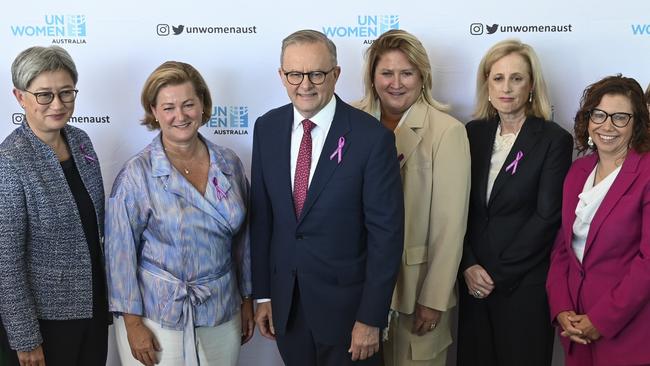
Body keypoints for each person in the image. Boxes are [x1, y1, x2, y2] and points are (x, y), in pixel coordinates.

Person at [250, 29, 404, 366]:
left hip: (349, 317)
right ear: (281, 76)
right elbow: (263, 220)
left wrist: (370, 317)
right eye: (294, 74)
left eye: (316, 73)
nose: (305, 84)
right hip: (287, 309)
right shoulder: (267, 128)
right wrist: (263, 294)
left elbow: (386, 236)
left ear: (335, 74)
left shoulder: (371, 138)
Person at [104, 61, 253, 366]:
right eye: (169, 107)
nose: (180, 116)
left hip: (222, 309)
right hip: (156, 317)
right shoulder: (137, 174)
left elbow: (246, 241)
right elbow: (119, 256)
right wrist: (132, 325)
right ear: (154, 111)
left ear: (202, 105)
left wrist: (248, 299)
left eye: (188, 104)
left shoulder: (229, 163)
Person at [355, 29, 470, 366]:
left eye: (406, 73)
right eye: (386, 73)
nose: (396, 83)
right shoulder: (350, 123)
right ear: (372, 76)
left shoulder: (447, 131)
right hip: (359, 288)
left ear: (423, 77)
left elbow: (450, 226)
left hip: (415, 289)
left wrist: (434, 298)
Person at [457, 39, 573, 366]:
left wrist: (496, 273)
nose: (506, 88)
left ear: (531, 85)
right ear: (487, 85)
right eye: (498, 78)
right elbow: (456, 208)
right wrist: (467, 264)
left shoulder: (554, 139)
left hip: (523, 288)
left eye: (517, 78)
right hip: (473, 283)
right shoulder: (472, 133)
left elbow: (547, 217)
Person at [0, 46, 107, 366]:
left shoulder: (81, 141)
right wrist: (25, 337)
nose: (58, 104)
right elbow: (6, 263)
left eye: (66, 93)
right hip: (45, 324)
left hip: (93, 309)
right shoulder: (10, 161)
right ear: (20, 97)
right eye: (44, 95)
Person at [547, 75, 650, 366]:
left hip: (627, 333)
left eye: (620, 117)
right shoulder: (578, 171)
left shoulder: (646, 172)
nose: (607, 126)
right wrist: (562, 309)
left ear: (636, 123)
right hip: (576, 328)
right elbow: (562, 249)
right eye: (600, 114)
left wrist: (601, 320)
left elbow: (648, 263)